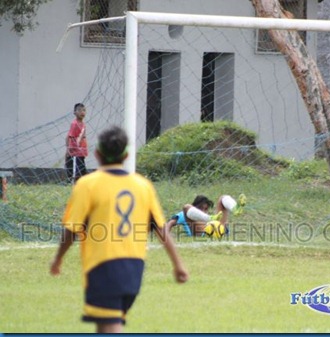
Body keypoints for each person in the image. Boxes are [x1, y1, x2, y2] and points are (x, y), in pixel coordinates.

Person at [50, 126, 188, 333]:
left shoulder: (87, 185)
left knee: (110, 325)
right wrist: (178, 264)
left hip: (103, 266)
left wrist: (58, 258)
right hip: (135, 267)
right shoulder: (143, 186)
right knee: (106, 322)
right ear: (126, 155)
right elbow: (161, 229)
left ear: (96, 154)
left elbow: (72, 229)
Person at [167, 193, 246, 237]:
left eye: (206, 209)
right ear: (194, 208)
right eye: (200, 208)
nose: (203, 211)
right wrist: (167, 235)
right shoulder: (184, 214)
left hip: (219, 230)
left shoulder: (213, 217)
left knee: (222, 198)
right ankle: (210, 219)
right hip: (201, 232)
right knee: (186, 207)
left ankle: (235, 209)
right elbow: (170, 223)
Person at [65, 103, 88, 183]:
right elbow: (69, 136)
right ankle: (71, 181)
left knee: (81, 165)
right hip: (75, 151)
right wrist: (68, 148)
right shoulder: (74, 124)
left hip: (81, 150)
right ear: (75, 112)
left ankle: (84, 181)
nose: (82, 112)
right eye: (79, 110)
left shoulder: (83, 124)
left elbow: (82, 137)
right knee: (75, 165)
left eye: (84, 110)